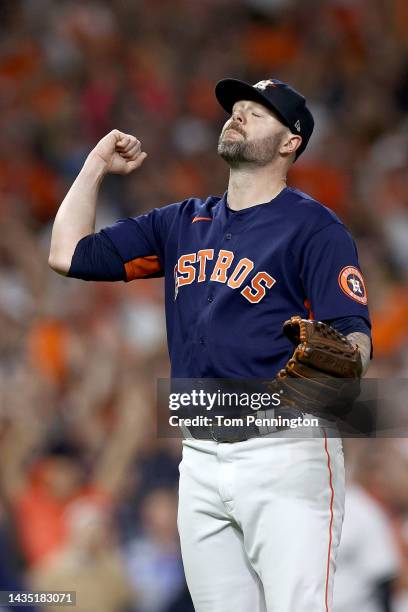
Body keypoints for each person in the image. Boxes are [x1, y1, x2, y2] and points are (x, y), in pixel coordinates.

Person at [49, 78, 372, 612]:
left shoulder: (315, 229)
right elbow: (68, 254)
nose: (238, 116)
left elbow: (354, 335)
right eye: (236, 108)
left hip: (283, 449)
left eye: (258, 113)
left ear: (291, 142)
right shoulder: (181, 222)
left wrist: (344, 363)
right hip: (198, 456)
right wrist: (95, 165)